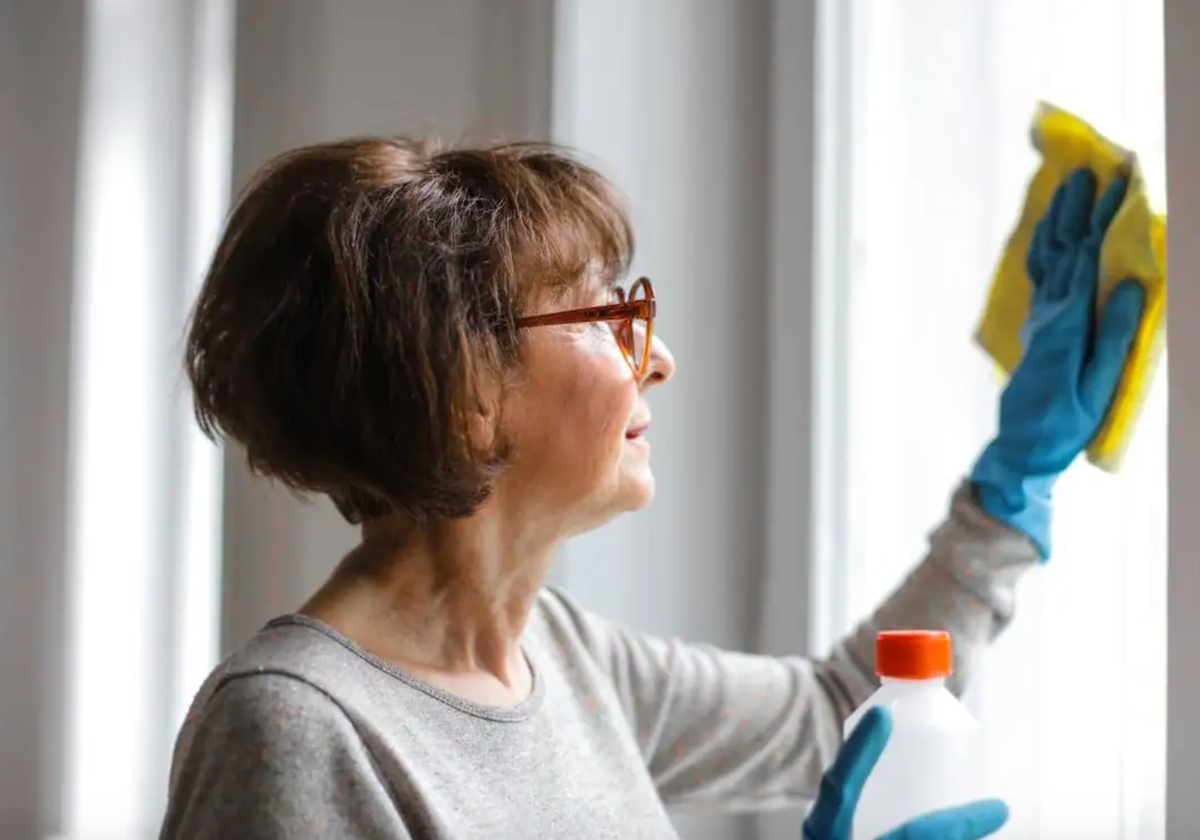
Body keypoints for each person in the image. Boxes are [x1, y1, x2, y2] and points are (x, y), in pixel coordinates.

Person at [158, 137, 1142, 840]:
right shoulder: (298, 731)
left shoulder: (566, 659)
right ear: (464, 388)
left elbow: (838, 712)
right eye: (605, 314)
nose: (658, 358)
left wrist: (1015, 482)